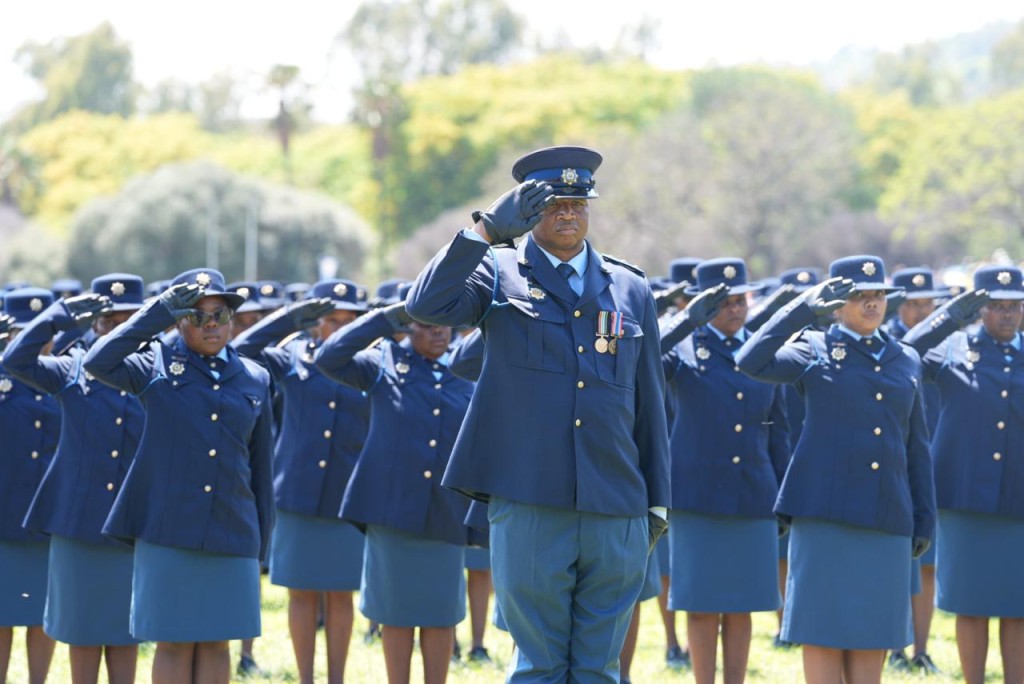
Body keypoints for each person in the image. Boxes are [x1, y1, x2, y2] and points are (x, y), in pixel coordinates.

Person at [405, 145, 671, 682]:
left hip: (615, 505)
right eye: (552, 204)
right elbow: (426, 306)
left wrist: (657, 503)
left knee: (601, 669)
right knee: (539, 666)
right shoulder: (496, 272)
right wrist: (483, 232)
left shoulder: (629, 287)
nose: (568, 213)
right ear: (527, 212)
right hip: (529, 503)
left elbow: (649, 402)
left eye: (578, 202)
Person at [736, 255, 936, 684]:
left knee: (871, 635)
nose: (870, 304)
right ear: (836, 304)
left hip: (886, 517)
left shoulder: (905, 359)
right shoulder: (814, 347)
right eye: (858, 296)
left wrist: (924, 517)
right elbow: (750, 360)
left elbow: (916, 446)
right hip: (824, 515)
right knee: (822, 632)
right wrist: (801, 310)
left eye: (877, 295)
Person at [83, 269, 274, 684]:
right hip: (168, 528)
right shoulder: (153, 366)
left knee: (217, 642)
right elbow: (98, 362)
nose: (210, 325)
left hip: (232, 527)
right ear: (179, 320)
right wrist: (157, 312)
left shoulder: (255, 377)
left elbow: (261, 468)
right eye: (196, 315)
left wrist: (262, 539)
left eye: (219, 315)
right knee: (172, 641)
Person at [314, 301, 474, 684]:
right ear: (407, 326)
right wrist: (389, 316)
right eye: (427, 322)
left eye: (445, 324)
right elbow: (329, 358)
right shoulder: (383, 362)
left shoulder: (465, 370)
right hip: (392, 513)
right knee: (396, 616)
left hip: (445, 514)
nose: (439, 331)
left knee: (440, 615)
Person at [4, 275, 145, 684]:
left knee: (126, 633)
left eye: (128, 319)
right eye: (108, 319)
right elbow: (17, 360)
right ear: (94, 324)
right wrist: (58, 316)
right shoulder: (72, 368)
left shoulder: (154, 370)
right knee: (82, 633)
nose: (117, 327)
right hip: (78, 524)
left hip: (130, 525)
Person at [232, 279, 371, 684]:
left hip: (347, 495)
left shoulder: (368, 362)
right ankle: (306, 677)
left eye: (350, 321)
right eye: (331, 320)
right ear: (315, 323)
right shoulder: (294, 358)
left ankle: (336, 679)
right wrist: (288, 319)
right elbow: (242, 350)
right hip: (297, 491)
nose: (340, 328)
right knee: (301, 591)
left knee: (341, 593)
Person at [659, 258, 789, 684]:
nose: (735, 309)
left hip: (753, 494)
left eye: (741, 300)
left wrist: (784, 498)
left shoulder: (763, 351)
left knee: (742, 603)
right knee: (700, 604)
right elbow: (645, 355)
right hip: (697, 498)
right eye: (724, 302)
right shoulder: (682, 347)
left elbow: (779, 432)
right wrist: (683, 319)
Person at [903, 265, 1024, 684]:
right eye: (996, 306)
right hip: (966, 497)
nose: (1007, 314)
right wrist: (951, 315)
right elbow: (908, 348)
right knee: (971, 604)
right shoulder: (953, 347)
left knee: (1018, 607)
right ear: (980, 308)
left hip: (1018, 500)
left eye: (1015, 306)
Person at [883, 267, 948, 675]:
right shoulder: (888, 344)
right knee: (897, 563)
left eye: (928, 303)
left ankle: (921, 649)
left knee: (927, 565)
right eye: (912, 303)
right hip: (896, 463)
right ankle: (892, 645)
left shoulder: (950, 344)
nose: (921, 311)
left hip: (935, 462)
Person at [0, 288, 59, 684]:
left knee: (43, 614)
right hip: (3, 517)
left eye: (43, 332)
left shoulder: (67, 376)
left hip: (49, 517)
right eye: (24, 331)